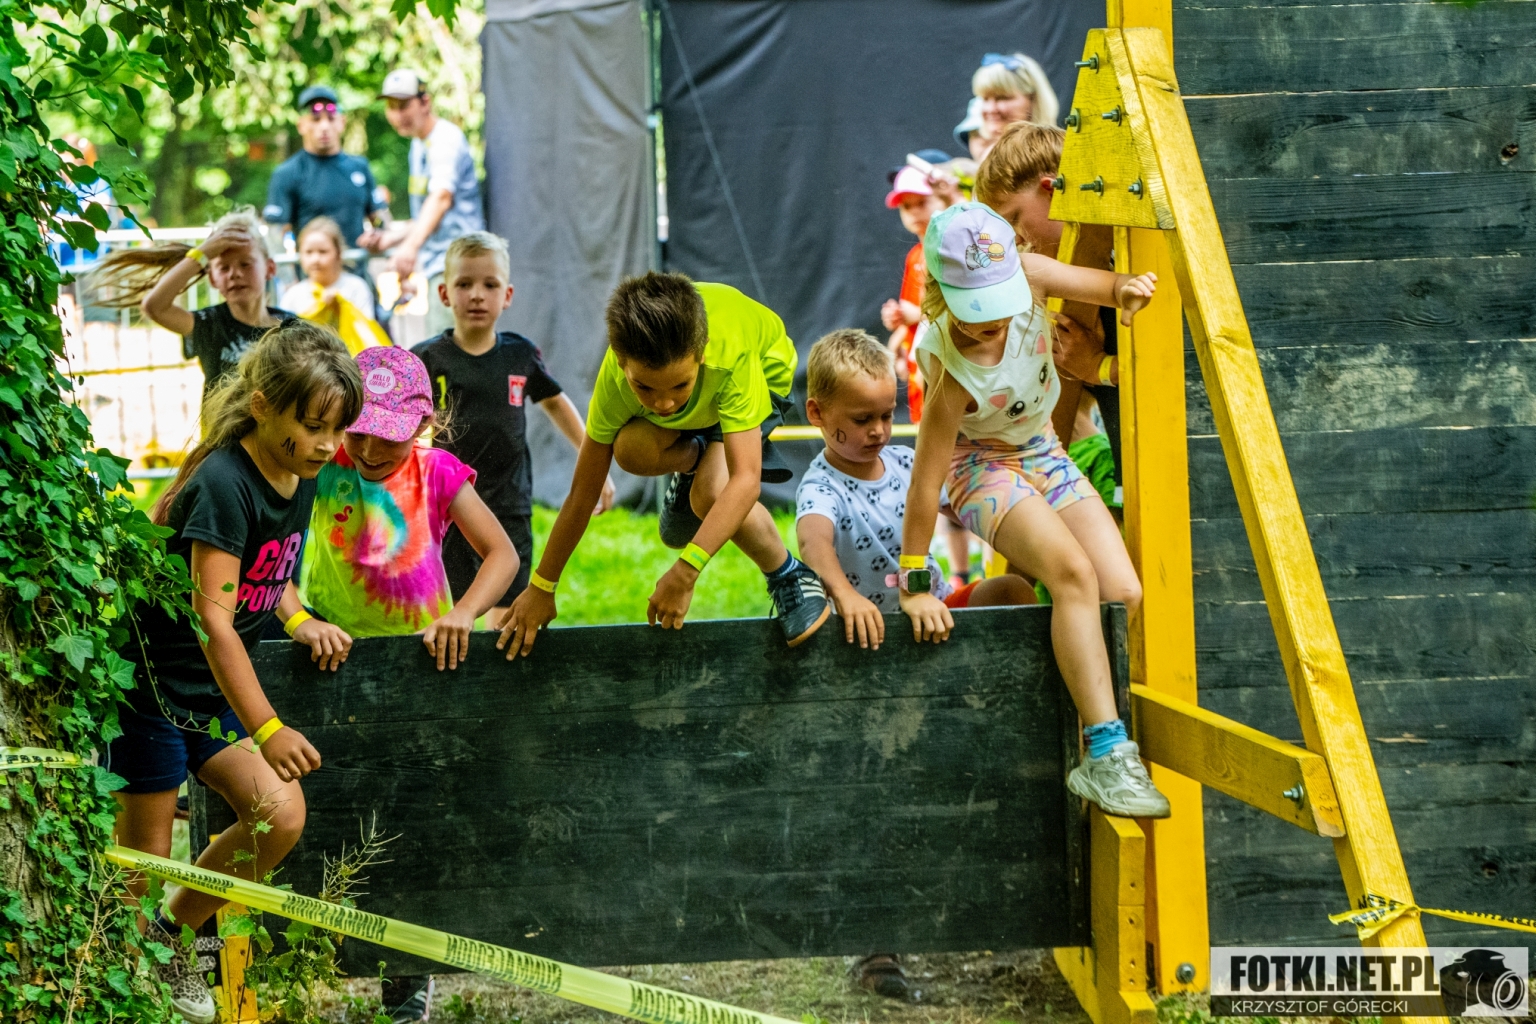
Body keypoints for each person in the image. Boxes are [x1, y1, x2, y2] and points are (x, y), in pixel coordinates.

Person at [106, 323, 363, 1024]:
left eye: (336, 430)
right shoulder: (223, 483)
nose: (326, 445)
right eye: (313, 426)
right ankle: (120, 984)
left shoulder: (297, 472)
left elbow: (266, 568)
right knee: (146, 858)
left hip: (211, 693)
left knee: (280, 817)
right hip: (154, 692)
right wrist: (269, 728)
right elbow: (213, 621)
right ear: (262, 407)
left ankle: (169, 937)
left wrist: (296, 616)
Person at [898, 202, 1168, 818]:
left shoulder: (1031, 274)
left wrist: (1129, 292)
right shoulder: (951, 366)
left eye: (998, 304)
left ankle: (1087, 712)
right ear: (941, 293)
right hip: (978, 467)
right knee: (1072, 574)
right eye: (975, 311)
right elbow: (926, 479)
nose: (991, 322)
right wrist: (913, 582)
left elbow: (1107, 284)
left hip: (1041, 449)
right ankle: (1106, 751)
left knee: (1122, 591)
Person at [295, 345, 517, 1024]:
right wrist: (300, 620)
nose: (367, 449)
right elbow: (263, 559)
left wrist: (464, 613)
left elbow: (502, 555)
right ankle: (302, 955)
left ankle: (406, 977)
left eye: (385, 436)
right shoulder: (320, 467)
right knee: (330, 817)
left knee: (408, 824)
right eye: (357, 430)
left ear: (421, 425)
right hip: (326, 665)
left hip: (421, 670)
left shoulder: (438, 472)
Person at [498, 272, 833, 656]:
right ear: (621, 362)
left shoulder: (731, 358)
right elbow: (583, 491)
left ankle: (790, 575)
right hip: (702, 396)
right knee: (631, 449)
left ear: (701, 353)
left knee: (712, 493)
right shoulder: (615, 382)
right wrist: (542, 586)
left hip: (763, 370)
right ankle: (694, 463)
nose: (664, 404)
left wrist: (686, 572)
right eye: (644, 387)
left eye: (678, 386)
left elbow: (746, 481)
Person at [412, 232, 615, 621]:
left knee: (506, 613)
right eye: (464, 284)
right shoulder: (426, 358)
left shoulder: (520, 353)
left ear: (507, 295)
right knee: (450, 609)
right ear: (444, 293)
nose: (477, 295)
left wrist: (595, 464)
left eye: (490, 285)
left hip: (509, 502)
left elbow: (555, 403)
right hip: (449, 506)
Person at [797, 328, 1036, 648]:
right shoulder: (821, 487)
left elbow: (967, 511)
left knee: (1012, 590)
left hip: (935, 608)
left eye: (886, 416)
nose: (878, 431)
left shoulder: (906, 462)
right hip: (870, 631)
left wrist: (1026, 538)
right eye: (862, 419)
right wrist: (845, 595)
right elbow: (813, 544)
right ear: (817, 413)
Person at [977, 121, 1122, 506]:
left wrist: (1097, 367)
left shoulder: (1122, 261)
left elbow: (1173, 367)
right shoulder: (1060, 280)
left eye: (1013, 218)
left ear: (1051, 189)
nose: (1015, 239)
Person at [90, 207, 297, 397]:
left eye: (245, 264)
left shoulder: (291, 328)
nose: (234, 274)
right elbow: (154, 306)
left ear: (270, 268)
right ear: (212, 278)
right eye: (224, 268)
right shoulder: (209, 323)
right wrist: (202, 253)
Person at [369, 69, 484, 337]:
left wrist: (409, 248)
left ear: (425, 102)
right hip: (441, 268)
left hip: (460, 267)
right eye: (391, 107)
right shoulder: (418, 144)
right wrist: (391, 239)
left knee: (448, 354)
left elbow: (441, 198)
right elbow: (428, 216)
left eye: (404, 105)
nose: (397, 114)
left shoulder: (445, 139)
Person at [262, 85, 389, 260]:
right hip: (312, 273)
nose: (324, 126)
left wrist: (378, 234)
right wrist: (287, 275)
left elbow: (380, 218)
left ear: (342, 122)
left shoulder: (360, 167)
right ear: (301, 125)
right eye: (315, 119)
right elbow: (275, 235)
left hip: (356, 271)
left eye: (330, 118)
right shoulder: (287, 173)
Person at [279, 216, 392, 354]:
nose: (315, 259)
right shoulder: (293, 295)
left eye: (323, 252)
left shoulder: (356, 287)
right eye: (308, 252)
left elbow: (364, 329)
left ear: (338, 253)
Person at [969, 52, 1060, 159]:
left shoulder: (1052, 156)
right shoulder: (985, 154)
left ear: (1032, 98)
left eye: (1002, 98)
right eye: (985, 99)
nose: (990, 109)